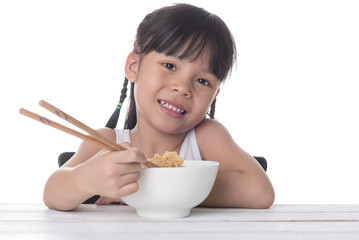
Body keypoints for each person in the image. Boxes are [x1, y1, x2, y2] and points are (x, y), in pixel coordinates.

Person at [43, 3, 274, 211]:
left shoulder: (206, 136)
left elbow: (260, 192)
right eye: (169, 65)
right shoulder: (109, 142)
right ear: (134, 66)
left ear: (213, 96)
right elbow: (52, 193)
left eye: (203, 81)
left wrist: (155, 190)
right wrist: (86, 180)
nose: (183, 87)